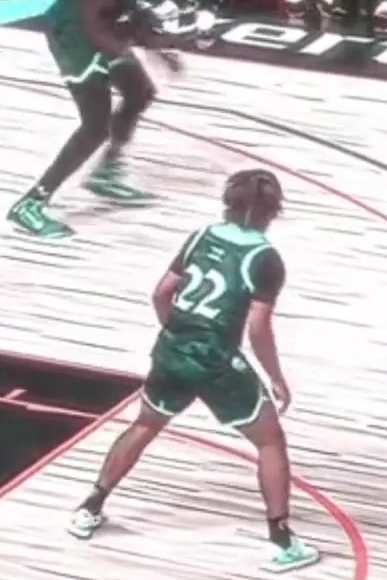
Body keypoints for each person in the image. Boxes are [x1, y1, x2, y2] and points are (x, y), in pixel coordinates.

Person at [66, 169, 320, 573]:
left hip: (172, 351)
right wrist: (275, 376)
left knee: (144, 425)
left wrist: (177, 334)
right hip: (217, 361)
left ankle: (89, 508)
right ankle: (282, 542)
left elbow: (161, 293)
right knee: (270, 441)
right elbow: (258, 328)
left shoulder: (202, 236)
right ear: (273, 211)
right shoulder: (265, 258)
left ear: (228, 202)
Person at [8, 0, 184, 239]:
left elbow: (123, 5)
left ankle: (105, 173)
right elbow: (98, 6)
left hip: (97, 30)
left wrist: (154, 50)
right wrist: (111, 49)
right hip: (76, 33)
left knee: (138, 90)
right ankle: (31, 203)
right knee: (95, 125)